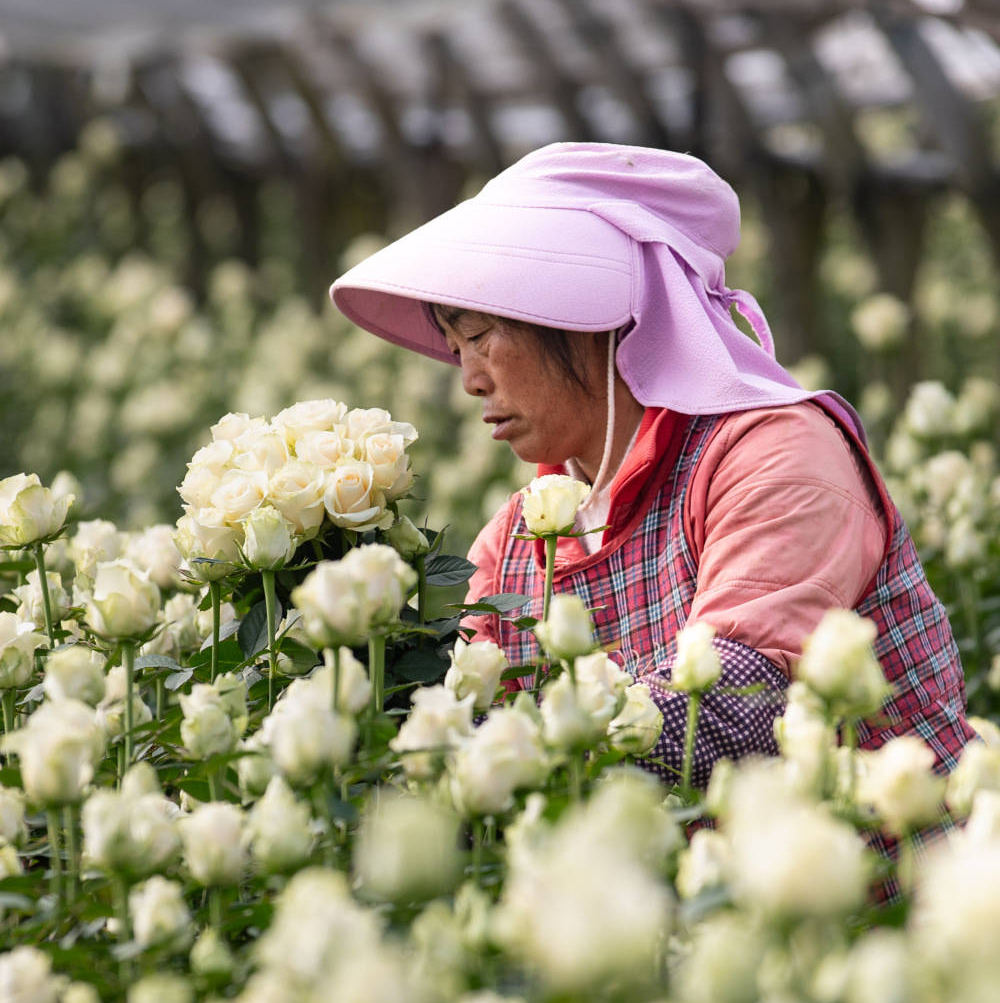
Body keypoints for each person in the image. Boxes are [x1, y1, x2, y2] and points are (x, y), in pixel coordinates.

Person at [330, 141, 975, 794]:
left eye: (479, 337)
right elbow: (455, 725)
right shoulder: (518, 541)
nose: (468, 380)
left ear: (582, 315)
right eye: (454, 346)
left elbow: (734, 711)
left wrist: (501, 779)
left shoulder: (772, 456)